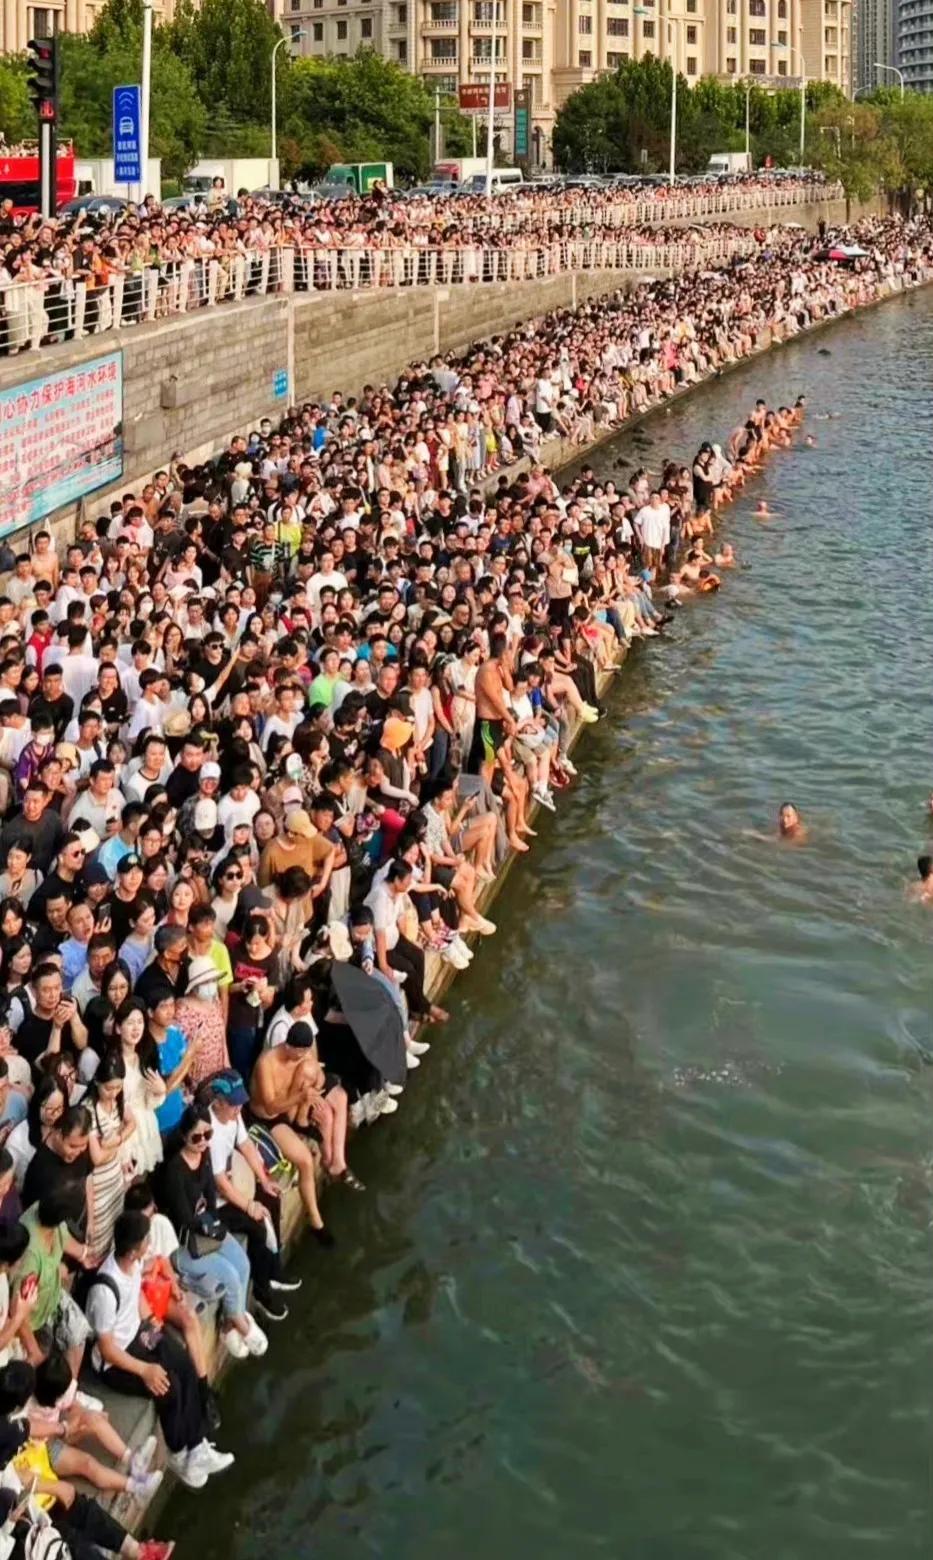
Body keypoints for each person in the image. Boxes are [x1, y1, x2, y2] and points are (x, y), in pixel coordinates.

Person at [85, 1208, 234, 1491]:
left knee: (183, 1363)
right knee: (169, 1385)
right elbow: (106, 1349)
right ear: (132, 1250)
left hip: (139, 1335)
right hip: (117, 1360)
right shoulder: (103, 1290)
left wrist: (154, 1325)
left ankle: (198, 1445)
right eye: (145, 1242)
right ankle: (180, 1454)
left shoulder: (133, 1264)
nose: (149, 1247)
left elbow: (136, 1297)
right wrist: (144, 1370)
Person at [156, 1105, 267, 1361]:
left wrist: (212, 1226)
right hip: (184, 1243)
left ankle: (229, 1323)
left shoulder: (204, 1158)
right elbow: (184, 1218)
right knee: (228, 1275)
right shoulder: (175, 1171)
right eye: (196, 1137)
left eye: (208, 1135)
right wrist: (207, 1225)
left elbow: (209, 1198)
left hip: (206, 1229)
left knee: (241, 1263)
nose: (203, 1142)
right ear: (184, 1137)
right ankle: (240, 1322)